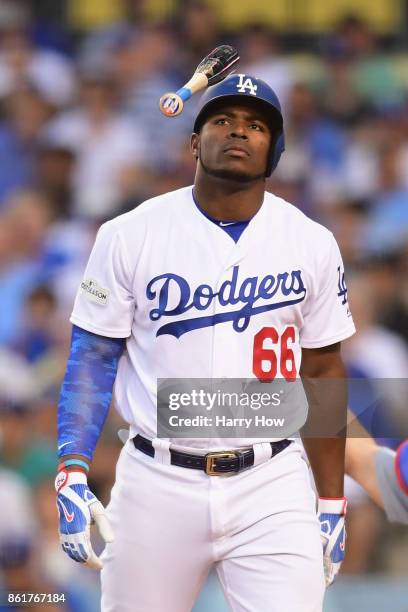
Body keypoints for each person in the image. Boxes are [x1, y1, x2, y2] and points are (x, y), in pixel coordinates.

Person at [55, 74, 356, 612]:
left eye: (256, 125)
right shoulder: (129, 233)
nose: (238, 131)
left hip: (272, 480)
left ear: (275, 150)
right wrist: (72, 466)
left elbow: (324, 368)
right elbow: (93, 356)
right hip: (156, 479)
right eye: (221, 120)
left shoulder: (311, 241)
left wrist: (331, 499)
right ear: (195, 142)